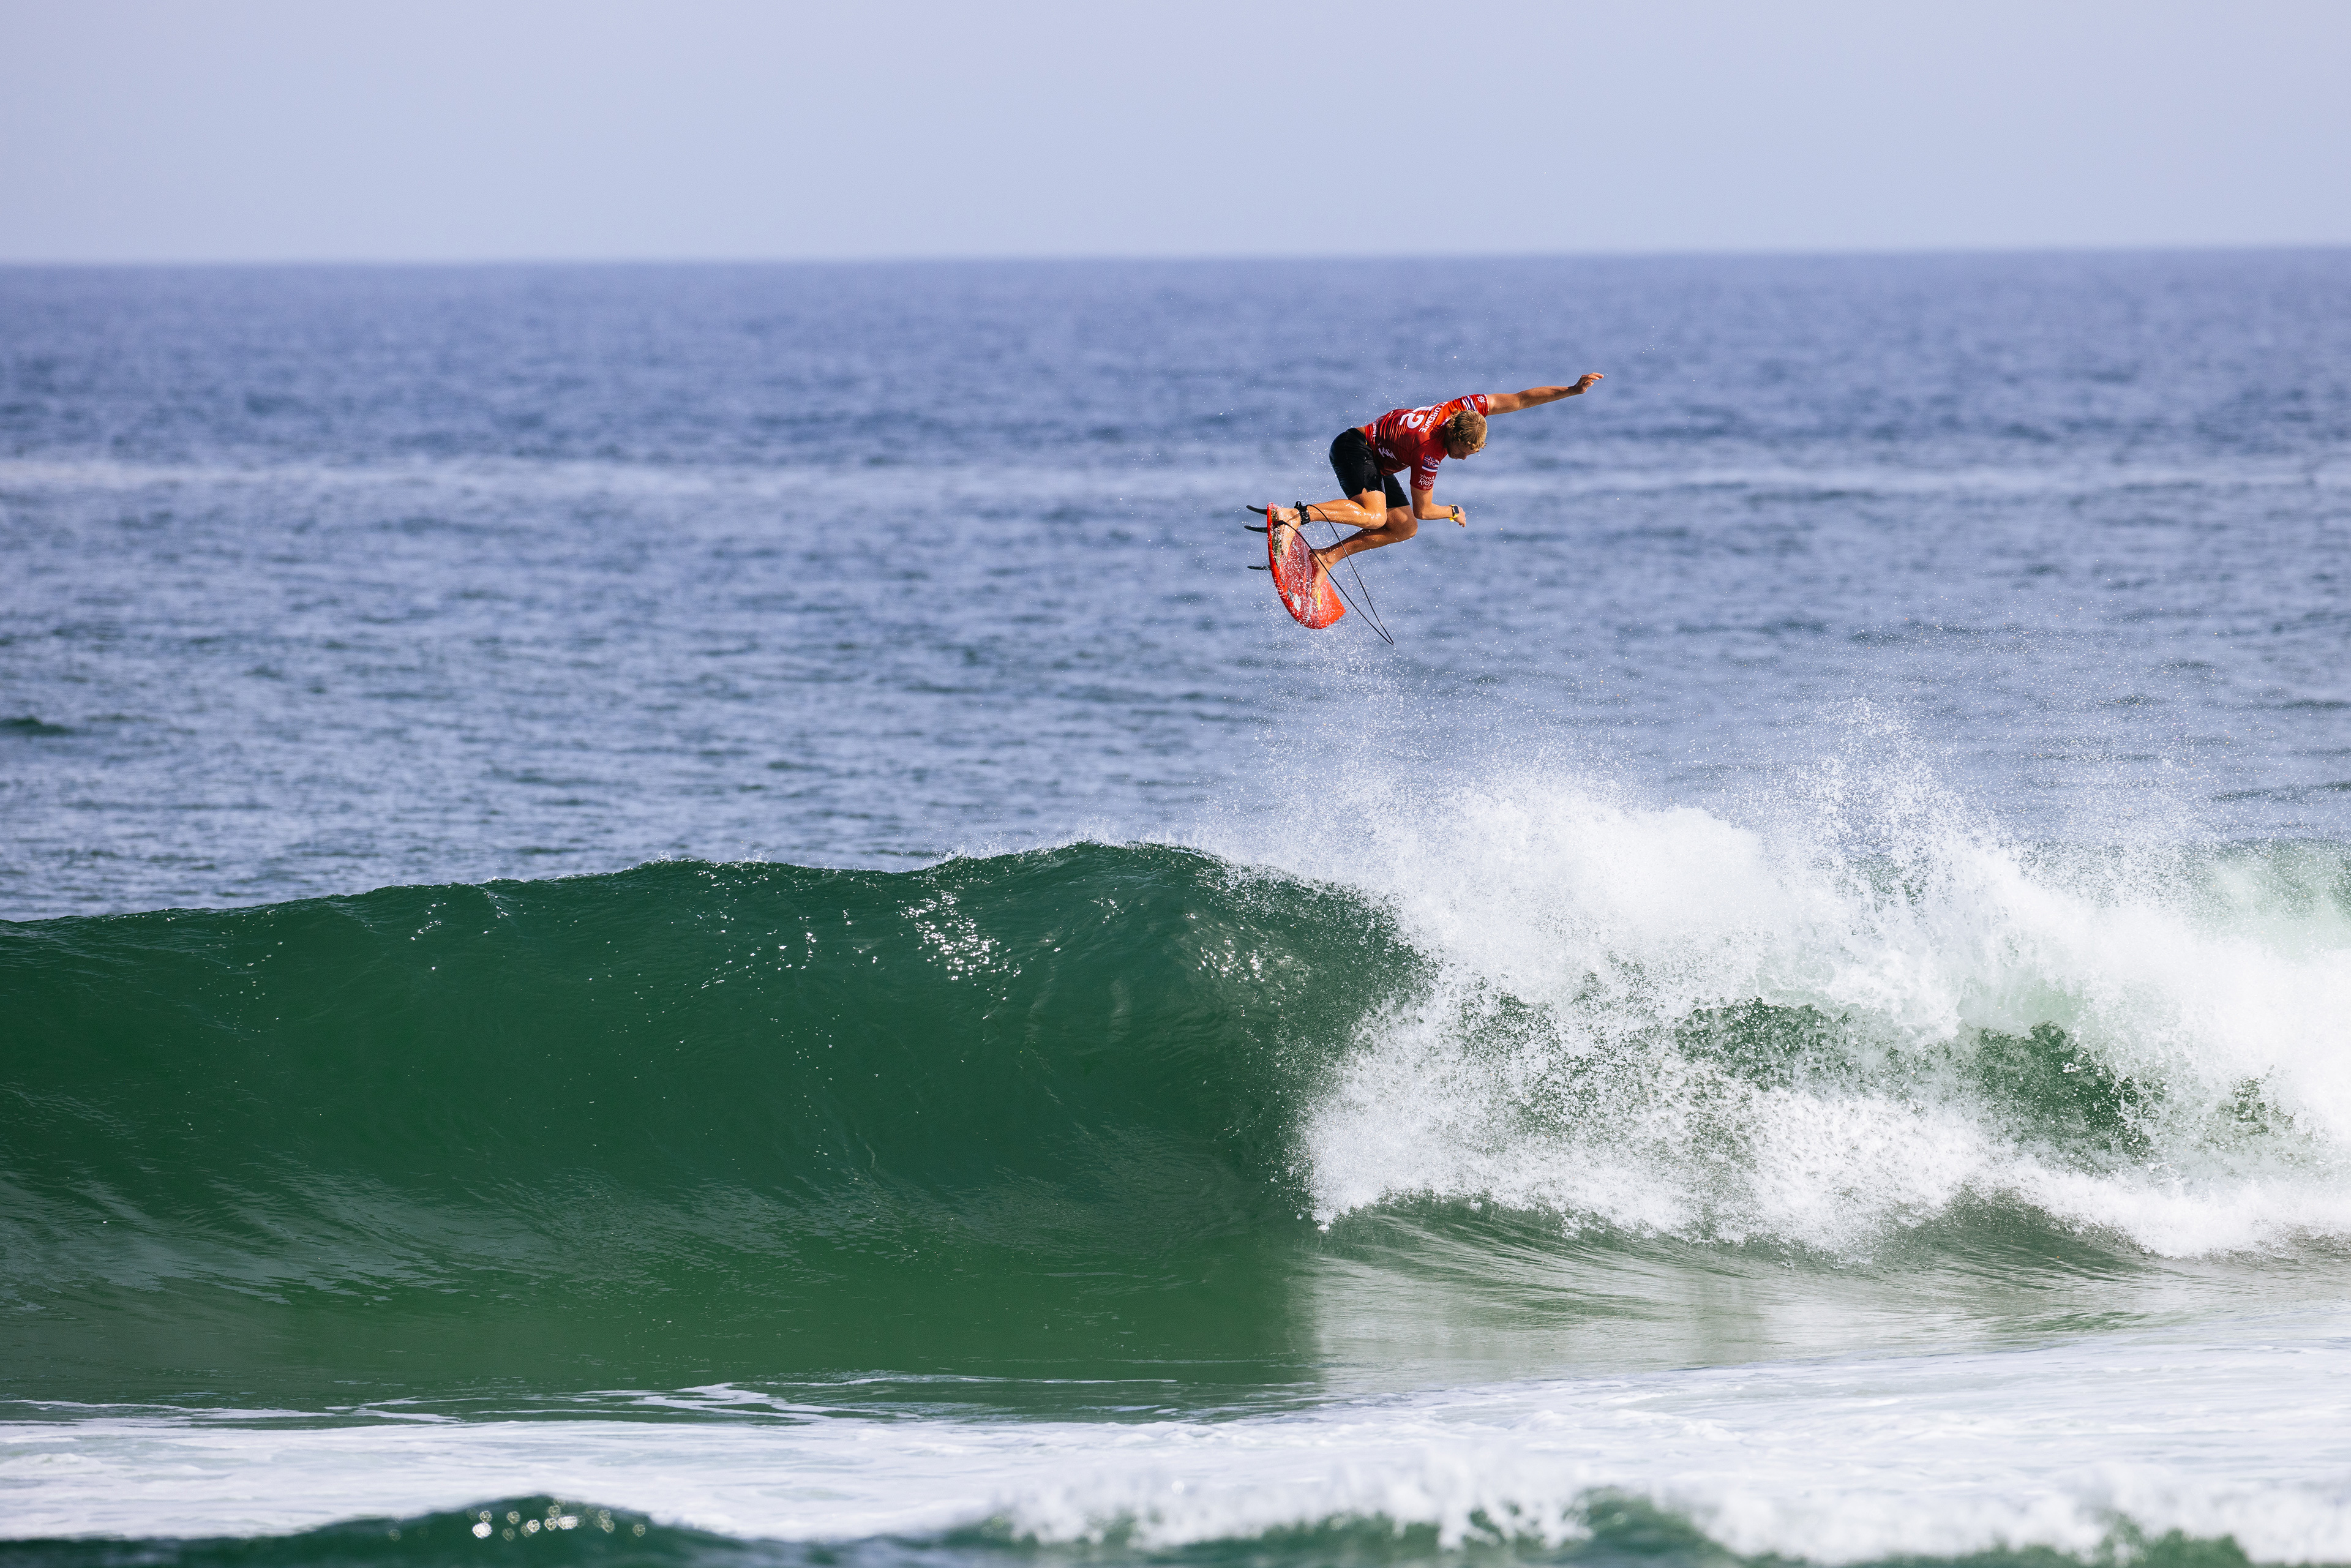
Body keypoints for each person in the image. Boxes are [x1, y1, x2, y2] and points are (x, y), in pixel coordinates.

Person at [1257, 375, 1603, 569]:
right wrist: (1453, 511)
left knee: (1404, 528)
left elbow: (1519, 399)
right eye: (1464, 453)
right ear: (1453, 440)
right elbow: (1425, 508)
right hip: (1354, 448)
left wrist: (1571, 391)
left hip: (1378, 459)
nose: (1465, 459)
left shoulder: (1465, 409)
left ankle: (1323, 559)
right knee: (1378, 516)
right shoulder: (1430, 451)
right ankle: (1293, 517)